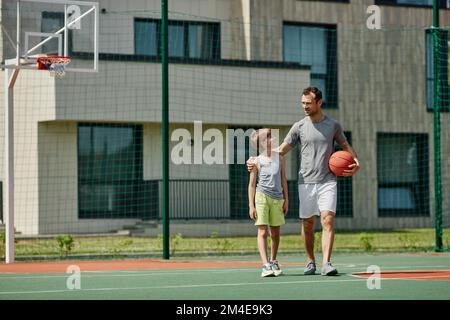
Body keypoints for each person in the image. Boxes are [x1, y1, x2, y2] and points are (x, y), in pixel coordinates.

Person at [247, 87, 360, 276]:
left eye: (308, 103)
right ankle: (310, 261)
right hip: (306, 181)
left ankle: (327, 263)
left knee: (328, 219)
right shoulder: (298, 126)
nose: (305, 106)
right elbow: (280, 150)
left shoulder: (333, 125)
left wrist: (356, 162)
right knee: (308, 224)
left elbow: (346, 146)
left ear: (319, 103)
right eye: (303, 103)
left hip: (327, 180)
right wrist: (256, 160)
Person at [248, 128, 289, 277]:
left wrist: (286, 200)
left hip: (278, 198)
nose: (273, 138)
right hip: (261, 197)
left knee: (276, 233)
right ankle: (265, 265)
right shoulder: (256, 161)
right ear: (263, 143)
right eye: (269, 137)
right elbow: (252, 185)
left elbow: (283, 180)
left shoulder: (280, 157)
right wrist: (251, 205)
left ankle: (273, 260)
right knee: (263, 231)